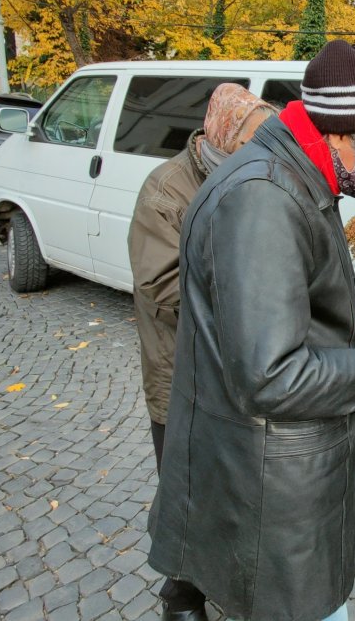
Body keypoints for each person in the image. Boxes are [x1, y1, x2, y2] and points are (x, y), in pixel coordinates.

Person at [147, 40, 355, 621]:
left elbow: (282, 295)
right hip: (273, 486)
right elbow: (270, 375)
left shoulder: (293, 172)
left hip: (281, 473)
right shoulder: (264, 196)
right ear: (337, 132)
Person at [129, 83, 273, 621]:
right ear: (222, 137)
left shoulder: (249, 178)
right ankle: (181, 596)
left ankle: (235, 576)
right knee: (185, 489)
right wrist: (247, 296)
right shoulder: (167, 191)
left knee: (237, 481)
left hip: (238, 372)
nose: (265, 154)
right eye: (254, 143)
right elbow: (161, 287)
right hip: (183, 374)